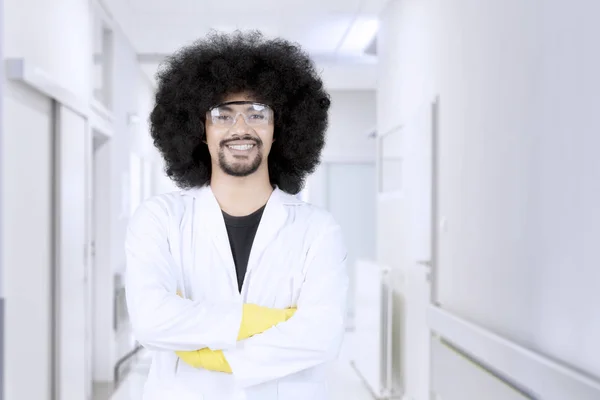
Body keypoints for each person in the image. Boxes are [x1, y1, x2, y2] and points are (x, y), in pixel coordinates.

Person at [125, 30, 349, 400]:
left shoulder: (317, 230)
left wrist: (207, 350)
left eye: (257, 114)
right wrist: (270, 322)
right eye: (223, 115)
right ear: (200, 129)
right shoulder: (159, 219)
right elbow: (151, 321)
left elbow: (323, 336)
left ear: (281, 129)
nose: (241, 128)